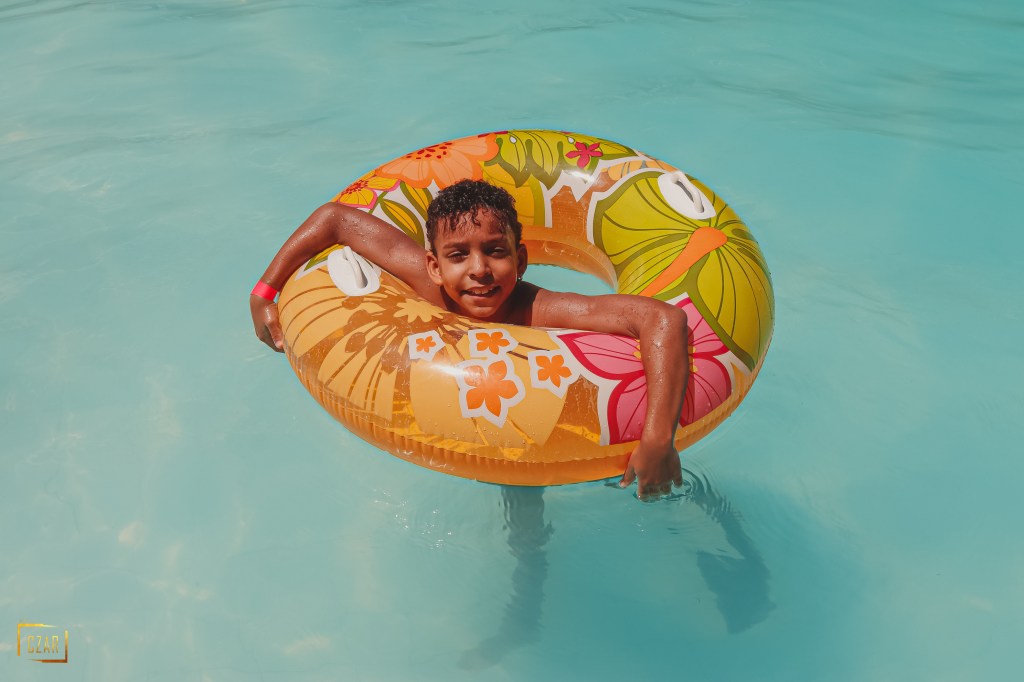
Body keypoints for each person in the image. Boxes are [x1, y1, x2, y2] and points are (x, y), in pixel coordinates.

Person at [250, 180, 690, 499]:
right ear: (434, 266)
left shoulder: (537, 309)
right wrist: (264, 293)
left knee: (525, 496)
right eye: (458, 255)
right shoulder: (422, 281)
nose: (479, 270)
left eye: (495, 251)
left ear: (520, 259)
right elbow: (335, 219)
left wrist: (657, 439)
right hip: (461, 420)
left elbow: (663, 318)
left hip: (531, 423)